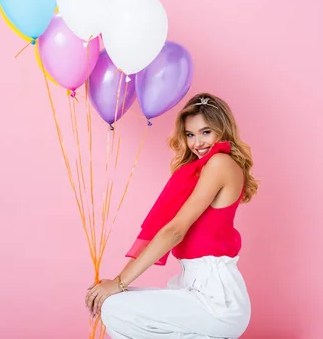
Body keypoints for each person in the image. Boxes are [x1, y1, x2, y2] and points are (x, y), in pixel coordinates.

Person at [85, 92, 259, 338]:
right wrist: (116, 285)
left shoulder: (220, 163)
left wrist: (118, 282)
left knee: (114, 305)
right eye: (190, 134)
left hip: (217, 299)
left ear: (223, 130)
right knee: (112, 306)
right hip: (192, 288)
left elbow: (175, 230)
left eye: (206, 132)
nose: (197, 142)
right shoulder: (197, 170)